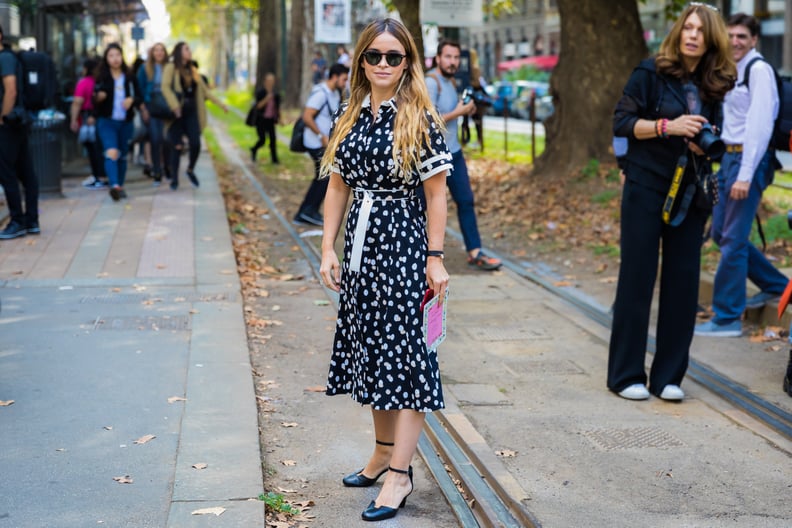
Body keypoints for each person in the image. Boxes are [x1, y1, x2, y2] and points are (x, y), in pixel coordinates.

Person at [319, 18, 451, 522]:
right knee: (372, 353)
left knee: (408, 360)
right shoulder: (350, 112)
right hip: (358, 250)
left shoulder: (419, 117)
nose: (382, 64)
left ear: (407, 63)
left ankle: (400, 473)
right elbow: (337, 187)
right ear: (360, 61)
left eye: (393, 57)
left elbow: (437, 194)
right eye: (373, 55)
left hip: (402, 250)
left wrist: (434, 259)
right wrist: (328, 248)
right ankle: (380, 453)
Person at [608, 3, 735, 401]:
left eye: (701, 30)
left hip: (690, 193)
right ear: (679, 32)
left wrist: (702, 139)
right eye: (688, 27)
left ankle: (668, 377)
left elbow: (718, 136)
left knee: (683, 287)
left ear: (712, 39)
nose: (693, 35)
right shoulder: (651, 72)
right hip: (646, 186)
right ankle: (626, 374)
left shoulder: (713, 85)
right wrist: (668, 126)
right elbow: (622, 123)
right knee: (637, 279)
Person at [694, 13, 788, 338]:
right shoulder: (732, 68)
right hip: (730, 161)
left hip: (750, 161)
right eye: (731, 35)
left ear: (754, 40)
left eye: (742, 37)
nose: (735, 41)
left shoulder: (758, 70)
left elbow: (760, 127)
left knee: (732, 240)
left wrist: (745, 175)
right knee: (721, 234)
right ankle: (780, 285)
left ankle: (727, 317)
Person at [426, 40, 502, 271]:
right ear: (438, 58)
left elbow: (452, 113)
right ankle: (422, 256)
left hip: (454, 153)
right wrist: (457, 112)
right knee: (422, 207)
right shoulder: (431, 82)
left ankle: (475, 251)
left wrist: (467, 109)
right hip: (432, 157)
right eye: (448, 57)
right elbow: (425, 121)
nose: (453, 62)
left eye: (456, 57)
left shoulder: (452, 81)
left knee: (466, 201)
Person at [160, 42, 228, 190]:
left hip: (191, 113)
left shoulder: (193, 70)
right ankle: (174, 180)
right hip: (177, 112)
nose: (189, 52)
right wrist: (174, 105)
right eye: (186, 49)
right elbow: (164, 87)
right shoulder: (171, 67)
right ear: (179, 51)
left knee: (195, 143)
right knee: (177, 146)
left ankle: (190, 169)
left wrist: (221, 104)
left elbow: (205, 91)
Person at [293, 62, 349, 226]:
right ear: (335, 77)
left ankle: (307, 211)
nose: (345, 83)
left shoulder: (334, 92)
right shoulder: (321, 93)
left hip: (325, 144)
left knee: (322, 177)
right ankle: (307, 211)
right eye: (344, 79)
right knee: (324, 177)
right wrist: (320, 135)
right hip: (315, 143)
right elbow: (307, 116)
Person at [0, 23, 38, 239]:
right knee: (26, 172)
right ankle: (31, 220)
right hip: (18, 122)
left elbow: (11, 90)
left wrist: (2, 118)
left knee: (6, 172)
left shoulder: (4, 58)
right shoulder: (8, 57)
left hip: (10, 123)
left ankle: (17, 220)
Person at [94, 43, 142, 202]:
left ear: (122, 57)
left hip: (125, 122)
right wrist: (99, 97)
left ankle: (119, 186)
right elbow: (94, 98)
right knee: (111, 152)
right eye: (111, 55)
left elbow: (140, 97)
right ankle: (114, 185)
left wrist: (132, 100)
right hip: (107, 122)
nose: (115, 59)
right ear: (106, 59)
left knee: (122, 156)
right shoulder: (102, 77)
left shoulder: (129, 77)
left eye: (117, 55)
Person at [70, 58, 108, 190]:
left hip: (89, 117)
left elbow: (77, 102)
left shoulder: (84, 83)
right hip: (101, 117)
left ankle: (98, 176)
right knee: (100, 148)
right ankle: (101, 176)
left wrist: (73, 119)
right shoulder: (101, 81)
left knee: (93, 149)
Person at [137, 42, 170, 185]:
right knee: (155, 140)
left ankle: (168, 168)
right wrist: (143, 108)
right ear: (152, 53)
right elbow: (139, 89)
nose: (159, 53)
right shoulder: (144, 69)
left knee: (168, 140)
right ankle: (157, 172)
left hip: (168, 107)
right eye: (156, 50)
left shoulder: (169, 68)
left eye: (161, 50)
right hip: (152, 107)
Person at [249, 72, 281, 164]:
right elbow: (258, 106)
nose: (270, 82)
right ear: (265, 81)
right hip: (261, 120)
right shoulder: (261, 92)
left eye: (272, 80)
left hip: (270, 120)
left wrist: (280, 119)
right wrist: (267, 98)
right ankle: (254, 149)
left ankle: (274, 159)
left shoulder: (276, 94)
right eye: (269, 80)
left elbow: (277, 108)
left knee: (273, 140)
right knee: (262, 140)